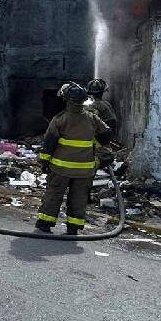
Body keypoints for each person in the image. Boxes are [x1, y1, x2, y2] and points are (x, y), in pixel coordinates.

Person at [36, 82, 115, 235]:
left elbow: (49, 143)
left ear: (65, 100)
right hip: (84, 170)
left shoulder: (60, 119)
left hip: (60, 168)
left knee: (54, 194)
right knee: (79, 198)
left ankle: (45, 223)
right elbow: (107, 136)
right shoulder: (92, 118)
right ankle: (73, 227)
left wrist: (45, 162)